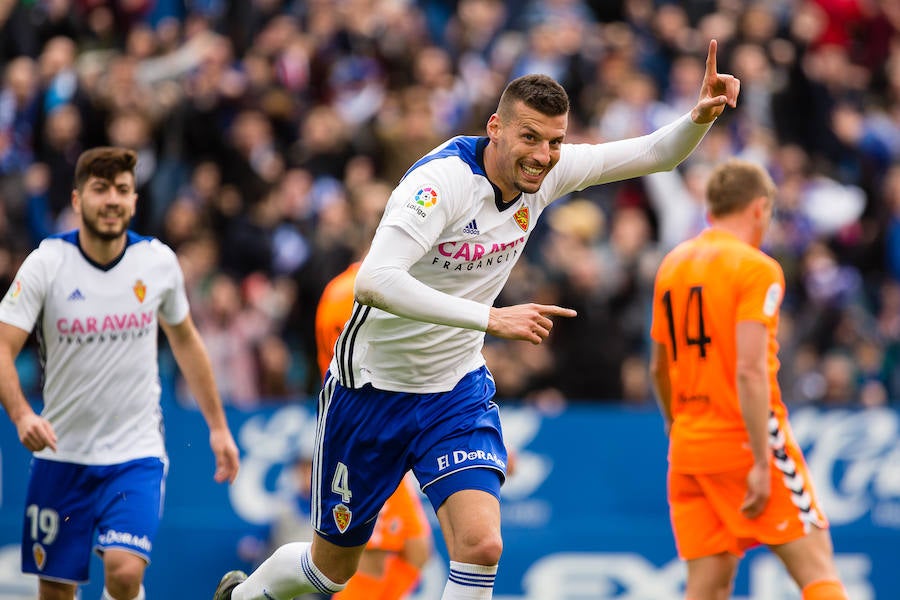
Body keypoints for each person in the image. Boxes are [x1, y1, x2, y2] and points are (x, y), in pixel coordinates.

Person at [214, 38, 740, 600]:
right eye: (530, 137)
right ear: (495, 127)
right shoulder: (439, 183)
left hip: (454, 388)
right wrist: (489, 319)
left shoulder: (548, 174)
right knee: (331, 571)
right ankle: (245, 597)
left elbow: (653, 154)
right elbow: (375, 280)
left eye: (555, 141)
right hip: (371, 390)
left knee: (482, 546)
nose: (543, 154)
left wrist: (698, 117)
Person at [0, 146, 241, 600]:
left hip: (135, 451)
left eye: (122, 190)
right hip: (61, 452)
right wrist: (20, 415)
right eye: (100, 189)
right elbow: (2, 347)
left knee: (125, 571)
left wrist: (218, 427)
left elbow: (185, 340)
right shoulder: (46, 263)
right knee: (55, 590)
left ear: (134, 201)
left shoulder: (157, 262)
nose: (112, 200)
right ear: (77, 200)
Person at [648, 159, 848, 600]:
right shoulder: (756, 268)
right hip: (745, 438)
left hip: (690, 448)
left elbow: (659, 367)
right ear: (759, 208)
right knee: (818, 570)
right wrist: (761, 458)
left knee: (707, 588)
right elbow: (750, 369)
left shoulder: (673, 264)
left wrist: (675, 424)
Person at [315, 261, 434, 600]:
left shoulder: (337, 288)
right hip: (371, 431)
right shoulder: (373, 289)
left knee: (414, 548)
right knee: (370, 556)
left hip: (368, 424)